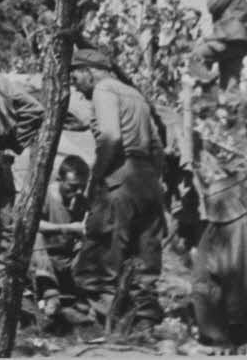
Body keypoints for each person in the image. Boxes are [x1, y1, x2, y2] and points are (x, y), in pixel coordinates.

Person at [70, 45, 166, 329]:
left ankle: (102, 324)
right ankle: (142, 324)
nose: (77, 89)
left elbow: (111, 136)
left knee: (102, 252)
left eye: (76, 78)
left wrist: (97, 177)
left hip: (120, 176)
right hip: (148, 179)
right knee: (144, 257)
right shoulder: (135, 94)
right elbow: (158, 145)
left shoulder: (104, 90)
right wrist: (151, 178)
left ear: (90, 71)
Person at [188, 162, 247, 351]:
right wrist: (236, 318)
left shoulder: (213, 232)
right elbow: (239, 277)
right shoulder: (238, 229)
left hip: (215, 320)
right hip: (223, 321)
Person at [32, 155, 90, 323]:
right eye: (72, 186)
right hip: (44, 258)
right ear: (60, 180)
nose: (78, 191)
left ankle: (83, 295)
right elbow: (33, 225)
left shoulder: (81, 201)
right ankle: (51, 295)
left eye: (82, 187)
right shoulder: (45, 195)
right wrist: (68, 228)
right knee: (35, 237)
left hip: (67, 259)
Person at [191, 0, 247, 97]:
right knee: (230, 85)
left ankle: (203, 89)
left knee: (197, 55)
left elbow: (212, 7)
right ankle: (231, 111)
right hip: (240, 44)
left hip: (230, 39)